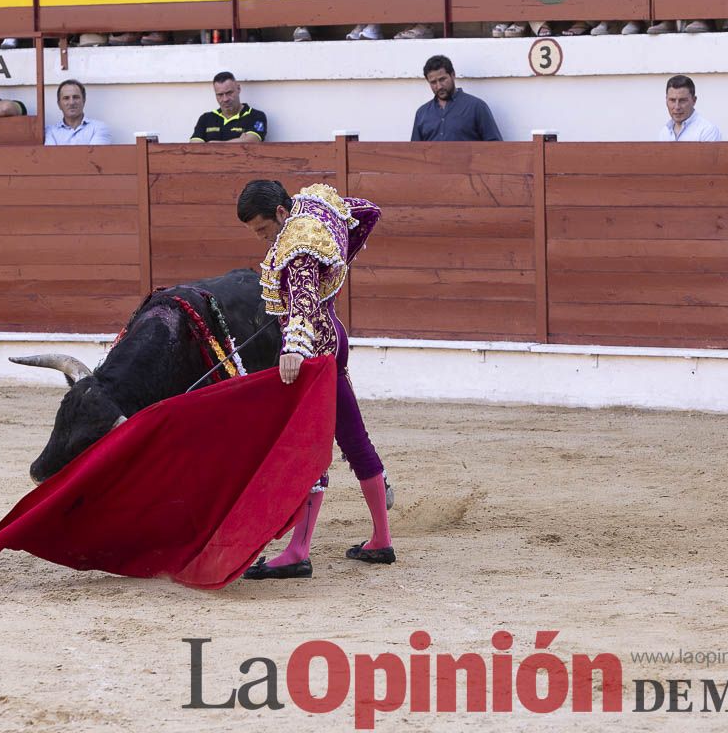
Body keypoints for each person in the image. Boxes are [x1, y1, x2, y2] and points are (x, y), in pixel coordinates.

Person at [237, 180, 395, 579]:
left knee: (310, 444)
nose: (261, 238)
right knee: (354, 438)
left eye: (262, 230)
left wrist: (294, 347)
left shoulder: (297, 247)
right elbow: (364, 212)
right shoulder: (312, 206)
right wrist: (338, 263)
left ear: (278, 212)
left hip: (314, 350)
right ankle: (381, 540)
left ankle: (298, 551)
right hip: (333, 336)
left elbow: (303, 300)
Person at [410, 54, 502, 142]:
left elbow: (495, 146)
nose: (439, 86)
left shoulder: (476, 107)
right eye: (433, 82)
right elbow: (414, 152)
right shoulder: (422, 113)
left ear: (453, 75)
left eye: (442, 79)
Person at [190, 71, 267, 143]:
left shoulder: (256, 116)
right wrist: (239, 141)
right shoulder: (206, 118)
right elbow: (194, 146)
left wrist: (212, 145)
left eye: (229, 93)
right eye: (220, 95)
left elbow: (252, 141)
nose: (225, 99)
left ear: (238, 89)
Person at [44, 79, 113, 145]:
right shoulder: (50, 131)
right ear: (59, 104)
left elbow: (95, 156)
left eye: (76, 97)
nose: (71, 102)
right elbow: (50, 156)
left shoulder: (98, 128)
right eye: (66, 98)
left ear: (84, 101)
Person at [658, 74, 721, 142]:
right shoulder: (664, 132)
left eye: (682, 100)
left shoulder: (707, 131)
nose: (677, 107)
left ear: (694, 100)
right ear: (666, 100)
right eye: (672, 100)